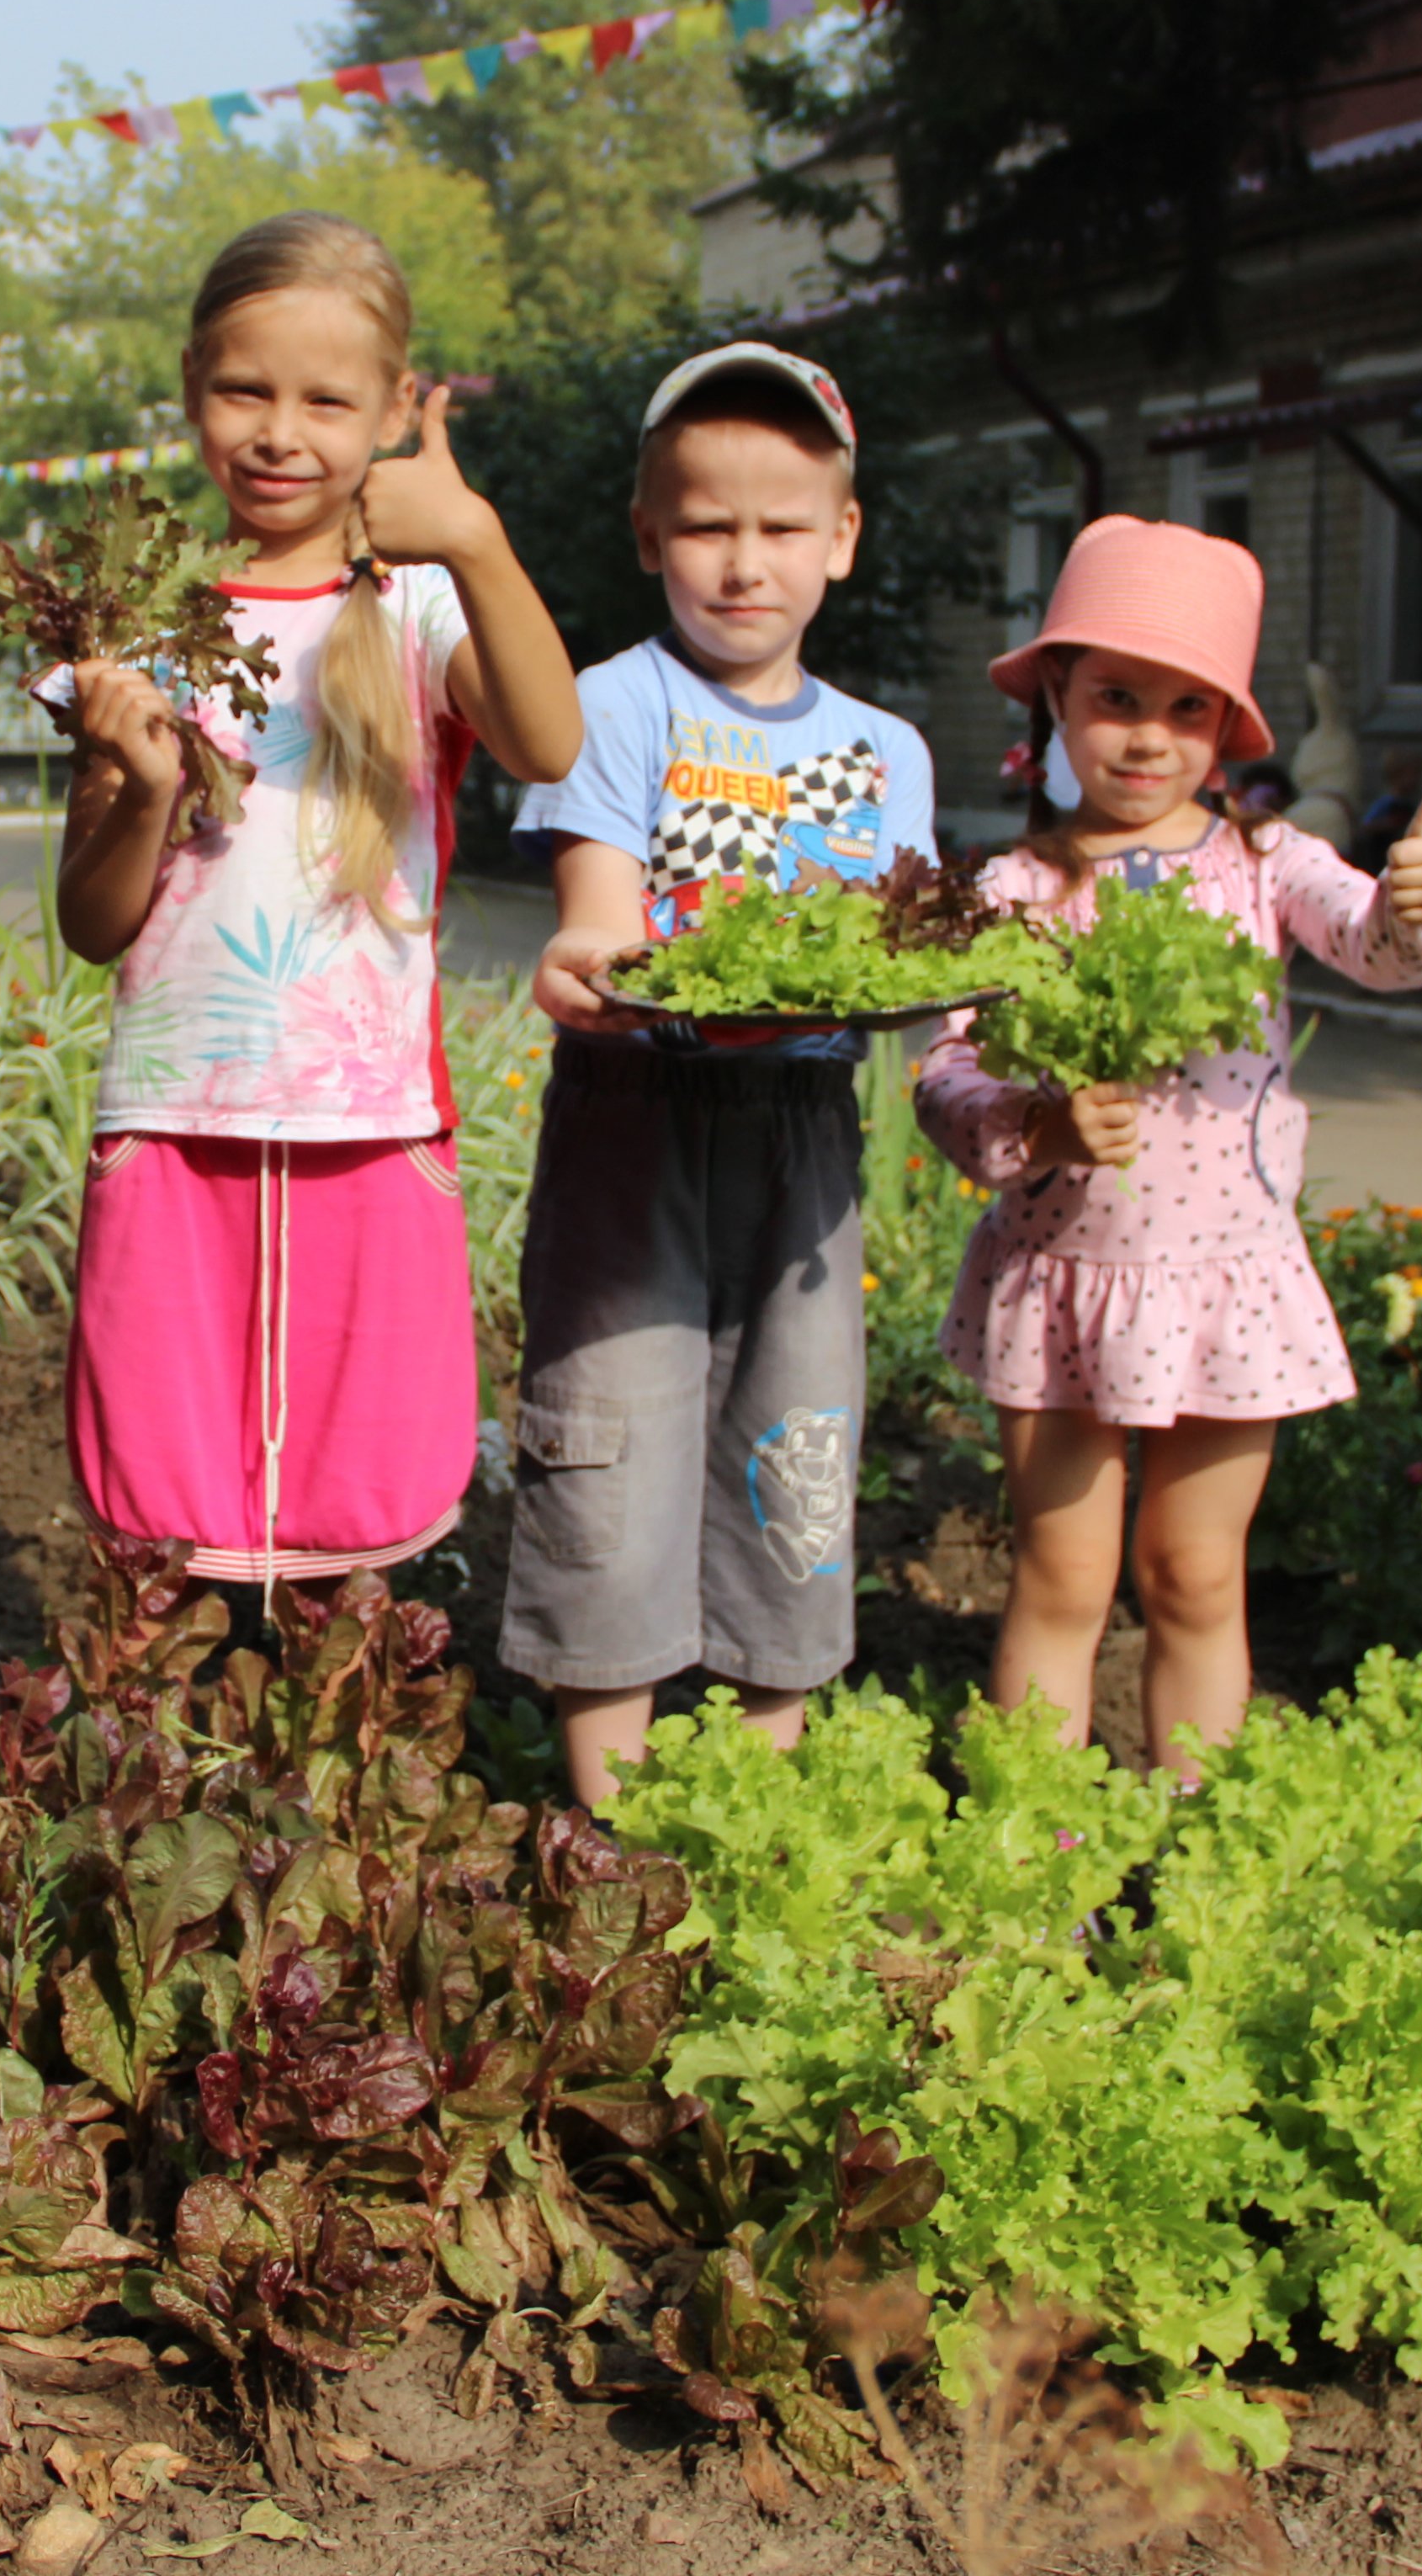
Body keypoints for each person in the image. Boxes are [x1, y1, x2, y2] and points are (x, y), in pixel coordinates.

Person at [51, 212, 584, 1588]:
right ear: (190, 391)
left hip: (365, 1120)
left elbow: (548, 743)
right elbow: (94, 921)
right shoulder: (139, 618)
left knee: (359, 1503)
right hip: (172, 1116)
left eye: (327, 400)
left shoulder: (420, 605)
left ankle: (337, 1775)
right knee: (166, 1512)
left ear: (397, 410)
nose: (281, 431)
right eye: (245, 390)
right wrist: (137, 774)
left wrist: (474, 537)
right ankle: (171, 1759)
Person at [910, 517, 1422, 1776]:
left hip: (1229, 1276)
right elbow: (941, 1072)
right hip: (1064, 1279)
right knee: (1062, 1581)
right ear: (1055, 693)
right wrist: (1034, 1124)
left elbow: (1381, 945)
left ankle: (1190, 1855)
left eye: (1186, 706)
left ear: (1226, 725)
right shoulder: (1010, 893)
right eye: (1115, 698)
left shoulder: (1271, 865)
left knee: (1197, 1578)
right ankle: (1032, 1854)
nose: (1149, 736)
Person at [505, 343, 936, 1805]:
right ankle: (609, 1829)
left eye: (782, 528)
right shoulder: (613, 704)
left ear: (842, 540)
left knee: (793, 1454)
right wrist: (593, 962)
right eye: (705, 525)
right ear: (648, 535)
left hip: (801, 1130)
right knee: (608, 1444)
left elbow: (907, 957)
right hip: (637, 1120)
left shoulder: (889, 754)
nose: (745, 564)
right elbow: (600, 916)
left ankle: (759, 1818)